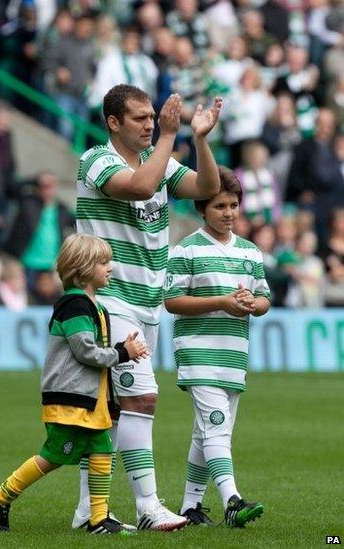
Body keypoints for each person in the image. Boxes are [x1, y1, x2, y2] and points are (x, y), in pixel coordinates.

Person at [75, 83, 222, 530]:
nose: (150, 123)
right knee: (142, 397)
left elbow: (206, 188)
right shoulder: (96, 160)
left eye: (152, 116)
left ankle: (87, 511)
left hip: (149, 303)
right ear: (113, 122)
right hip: (111, 299)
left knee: (115, 411)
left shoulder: (162, 162)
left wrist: (199, 140)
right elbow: (140, 187)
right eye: (140, 117)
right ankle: (149, 507)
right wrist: (167, 138)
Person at [0, 234, 148, 534]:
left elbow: (89, 347)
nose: (110, 267)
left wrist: (119, 348)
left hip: (91, 399)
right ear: (83, 267)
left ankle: (98, 519)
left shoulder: (91, 304)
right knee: (54, 454)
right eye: (103, 262)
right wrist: (122, 353)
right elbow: (85, 351)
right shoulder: (74, 304)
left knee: (102, 449)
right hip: (70, 398)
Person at [164, 166, 270, 527]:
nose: (229, 213)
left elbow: (264, 297)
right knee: (216, 426)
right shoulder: (187, 250)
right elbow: (172, 300)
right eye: (220, 206)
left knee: (208, 431)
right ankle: (232, 501)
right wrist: (221, 302)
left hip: (233, 353)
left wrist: (251, 304)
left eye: (234, 205)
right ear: (202, 209)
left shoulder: (251, 252)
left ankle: (190, 506)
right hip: (197, 350)